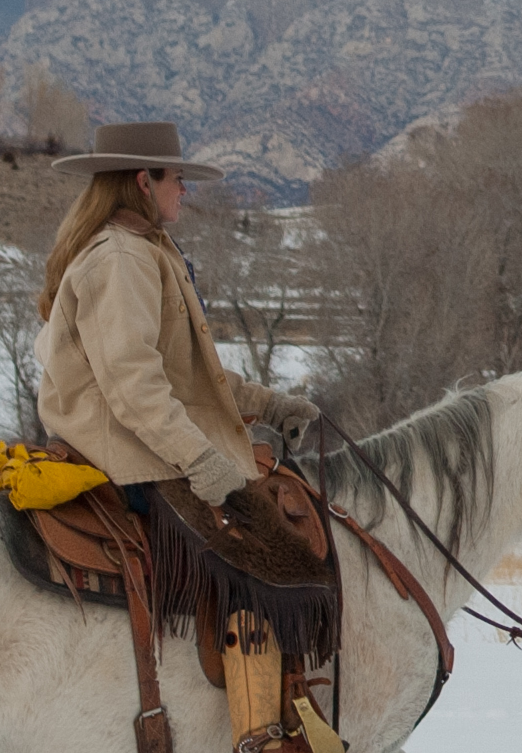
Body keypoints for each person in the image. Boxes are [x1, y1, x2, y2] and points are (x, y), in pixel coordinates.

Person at [32, 121, 321, 512]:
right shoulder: (121, 258)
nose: (184, 190)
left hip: (137, 448)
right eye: (178, 179)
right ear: (144, 183)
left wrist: (269, 405)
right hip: (127, 460)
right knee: (260, 541)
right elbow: (132, 382)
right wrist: (197, 457)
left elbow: (182, 373)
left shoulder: (141, 248)